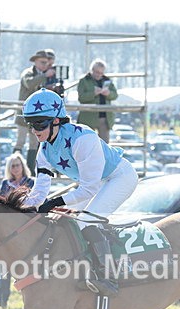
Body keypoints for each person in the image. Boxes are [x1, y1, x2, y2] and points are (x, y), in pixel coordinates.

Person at [21, 88, 139, 296]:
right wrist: (21, 208)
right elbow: (40, 192)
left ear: (56, 121)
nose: (34, 130)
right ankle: (79, 271)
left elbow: (89, 188)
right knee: (66, 221)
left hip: (120, 177)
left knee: (86, 221)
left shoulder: (83, 139)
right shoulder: (44, 151)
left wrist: (54, 201)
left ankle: (109, 276)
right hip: (96, 183)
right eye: (30, 124)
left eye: (39, 124)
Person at [0, 153, 35, 308]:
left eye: (18, 165)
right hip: (9, 229)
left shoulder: (31, 182)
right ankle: (2, 299)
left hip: (27, 227)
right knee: (5, 265)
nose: (15, 168)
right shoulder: (6, 184)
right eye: (12, 166)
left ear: (22, 166)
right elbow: (0, 203)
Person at [14, 49, 57, 174]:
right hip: (24, 115)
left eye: (46, 62)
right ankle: (15, 167)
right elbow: (29, 84)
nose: (45, 65)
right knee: (20, 141)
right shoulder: (28, 73)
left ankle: (30, 171)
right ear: (35, 62)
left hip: (35, 116)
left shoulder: (43, 75)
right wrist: (45, 76)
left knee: (33, 144)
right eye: (42, 62)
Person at [76, 59, 118, 143]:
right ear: (92, 70)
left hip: (105, 118)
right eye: (97, 72)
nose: (99, 75)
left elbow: (115, 95)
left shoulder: (107, 80)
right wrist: (93, 93)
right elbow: (81, 98)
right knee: (87, 143)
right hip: (88, 118)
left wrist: (108, 93)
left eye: (101, 73)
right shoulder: (84, 81)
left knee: (104, 145)